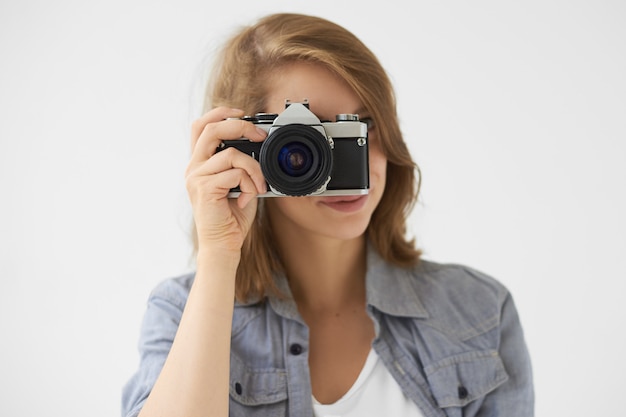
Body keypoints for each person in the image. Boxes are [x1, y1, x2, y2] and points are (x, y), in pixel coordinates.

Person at [122, 13, 534, 417]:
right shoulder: (180, 312)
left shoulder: (478, 309)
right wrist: (218, 254)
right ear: (243, 147)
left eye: (361, 125)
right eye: (309, 138)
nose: (348, 163)